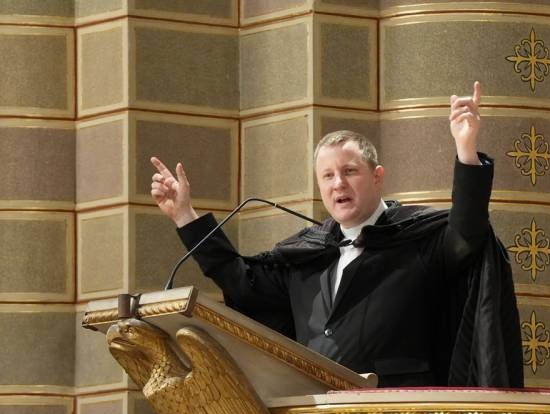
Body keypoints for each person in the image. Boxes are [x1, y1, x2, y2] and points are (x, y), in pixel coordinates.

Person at [150, 82, 522, 388]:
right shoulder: (308, 256)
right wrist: (185, 216)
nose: (338, 183)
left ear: (377, 176)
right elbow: (241, 282)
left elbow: (468, 233)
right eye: (327, 176)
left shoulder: (418, 241)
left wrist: (465, 150)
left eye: (349, 171)